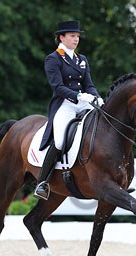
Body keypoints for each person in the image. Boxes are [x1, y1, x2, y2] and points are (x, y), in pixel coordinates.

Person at [34, 20, 104, 200]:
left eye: (77, 36)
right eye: (72, 36)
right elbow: (57, 86)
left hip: (84, 101)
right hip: (65, 103)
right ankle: (42, 182)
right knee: (59, 141)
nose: (76, 39)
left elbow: (89, 84)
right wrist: (79, 96)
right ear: (61, 38)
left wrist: (96, 97)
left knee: (105, 121)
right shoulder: (53, 58)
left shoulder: (82, 60)